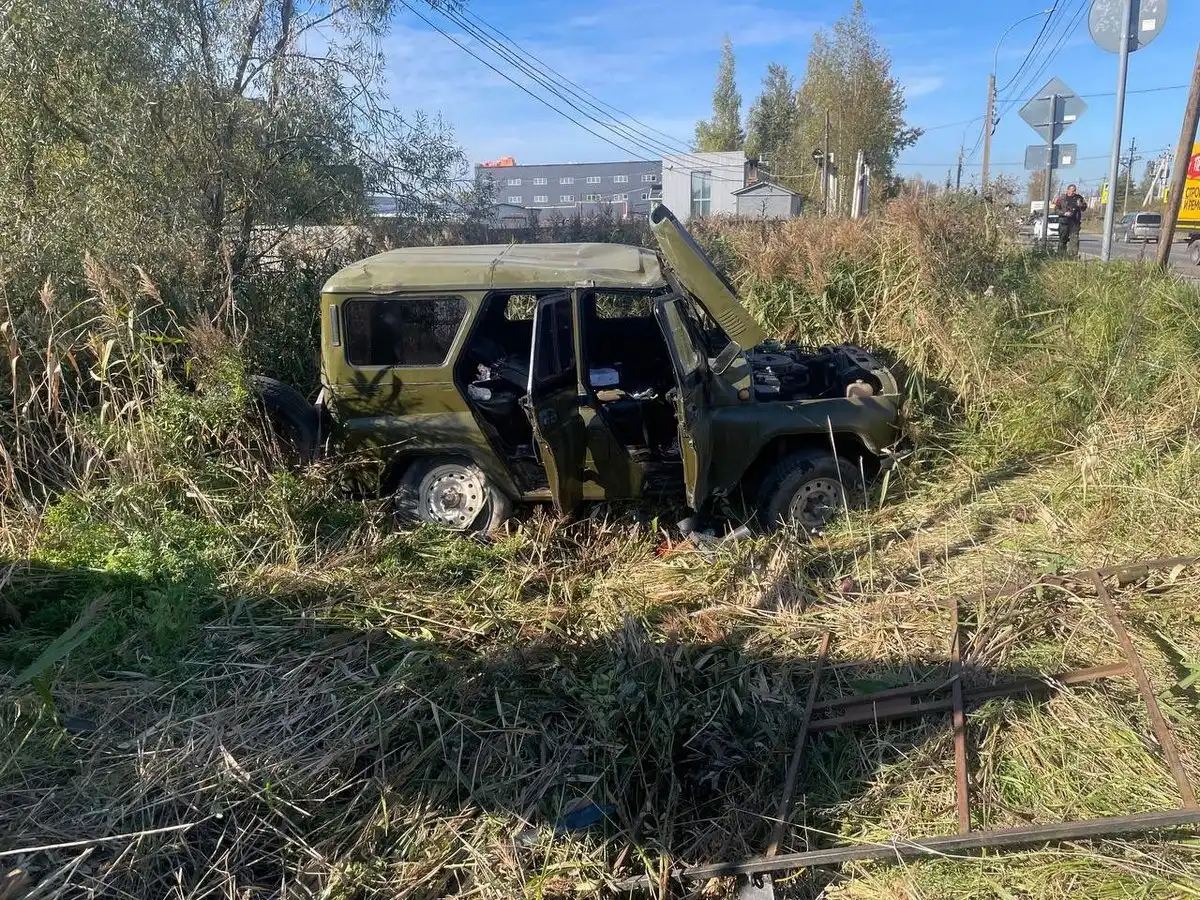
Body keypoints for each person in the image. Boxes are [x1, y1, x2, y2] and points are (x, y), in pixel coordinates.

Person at [1053, 184, 1088, 258]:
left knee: (1074, 240)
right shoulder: (1062, 198)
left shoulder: (1079, 198)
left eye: (1075, 190)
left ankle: (1073, 256)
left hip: (1075, 222)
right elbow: (1056, 210)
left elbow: (1084, 208)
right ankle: (1061, 256)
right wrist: (1064, 213)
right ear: (1068, 190)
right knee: (1063, 240)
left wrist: (1081, 205)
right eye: (1073, 190)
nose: (1074, 192)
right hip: (1064, 222)